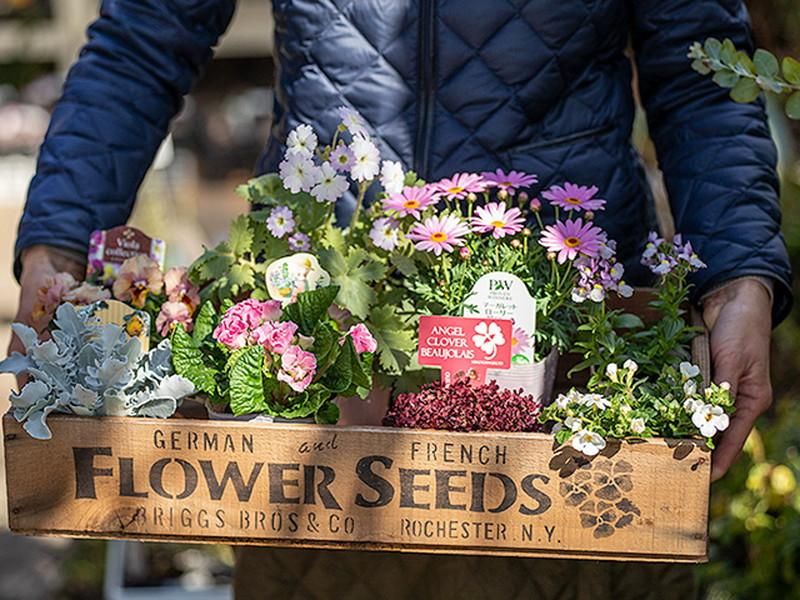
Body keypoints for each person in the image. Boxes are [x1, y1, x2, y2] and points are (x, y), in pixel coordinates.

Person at [10, 1, 791, 598]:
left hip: (569, 327)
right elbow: (141, 43)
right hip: (317, 350)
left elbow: (698, 71)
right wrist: (58, 247)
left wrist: (740, 277)